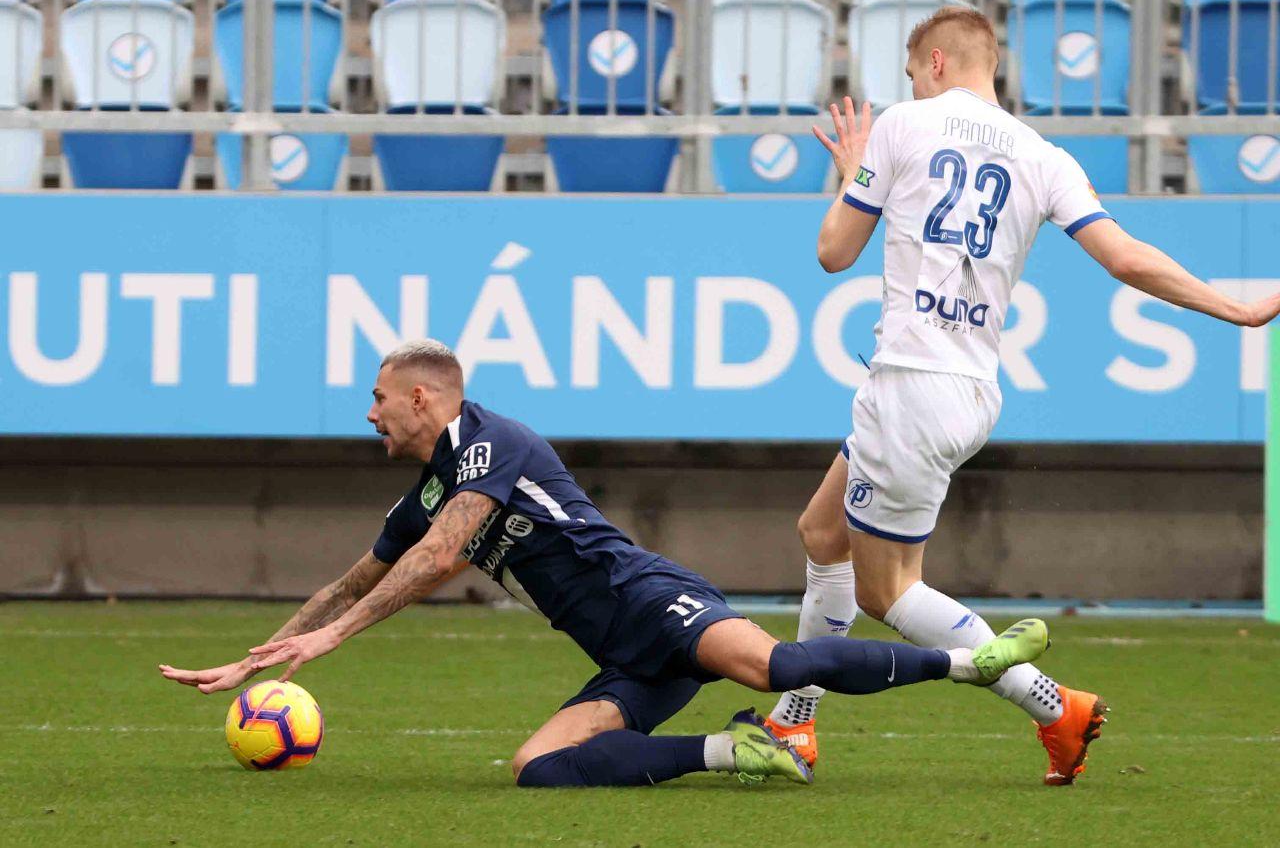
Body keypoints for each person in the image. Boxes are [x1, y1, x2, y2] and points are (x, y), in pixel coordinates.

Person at [762, 6, 1280, 785]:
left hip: (910, 386)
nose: (912, 84)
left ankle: (1053, 705)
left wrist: (855, 170)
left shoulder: (902, 125)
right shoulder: (1044, 156)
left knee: (888, 591)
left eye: (912, 71)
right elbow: (1125, 258)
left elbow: (834, 251)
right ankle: (793, 721)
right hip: (970, 389)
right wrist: (1232, 309)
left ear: (937, 62)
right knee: (822, 531)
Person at [160, 338, 1049, 787]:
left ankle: (971, 663)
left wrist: (330, 643)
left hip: (649, 599)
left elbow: (439, 557)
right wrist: (259, 655)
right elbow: (352, 580)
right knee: (537, 769)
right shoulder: (428, 490)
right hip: (623, 655)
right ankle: (733, 750)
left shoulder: (491, 443)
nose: (370, 413)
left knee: (775, 666)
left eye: (379, 398)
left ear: (421, 398)